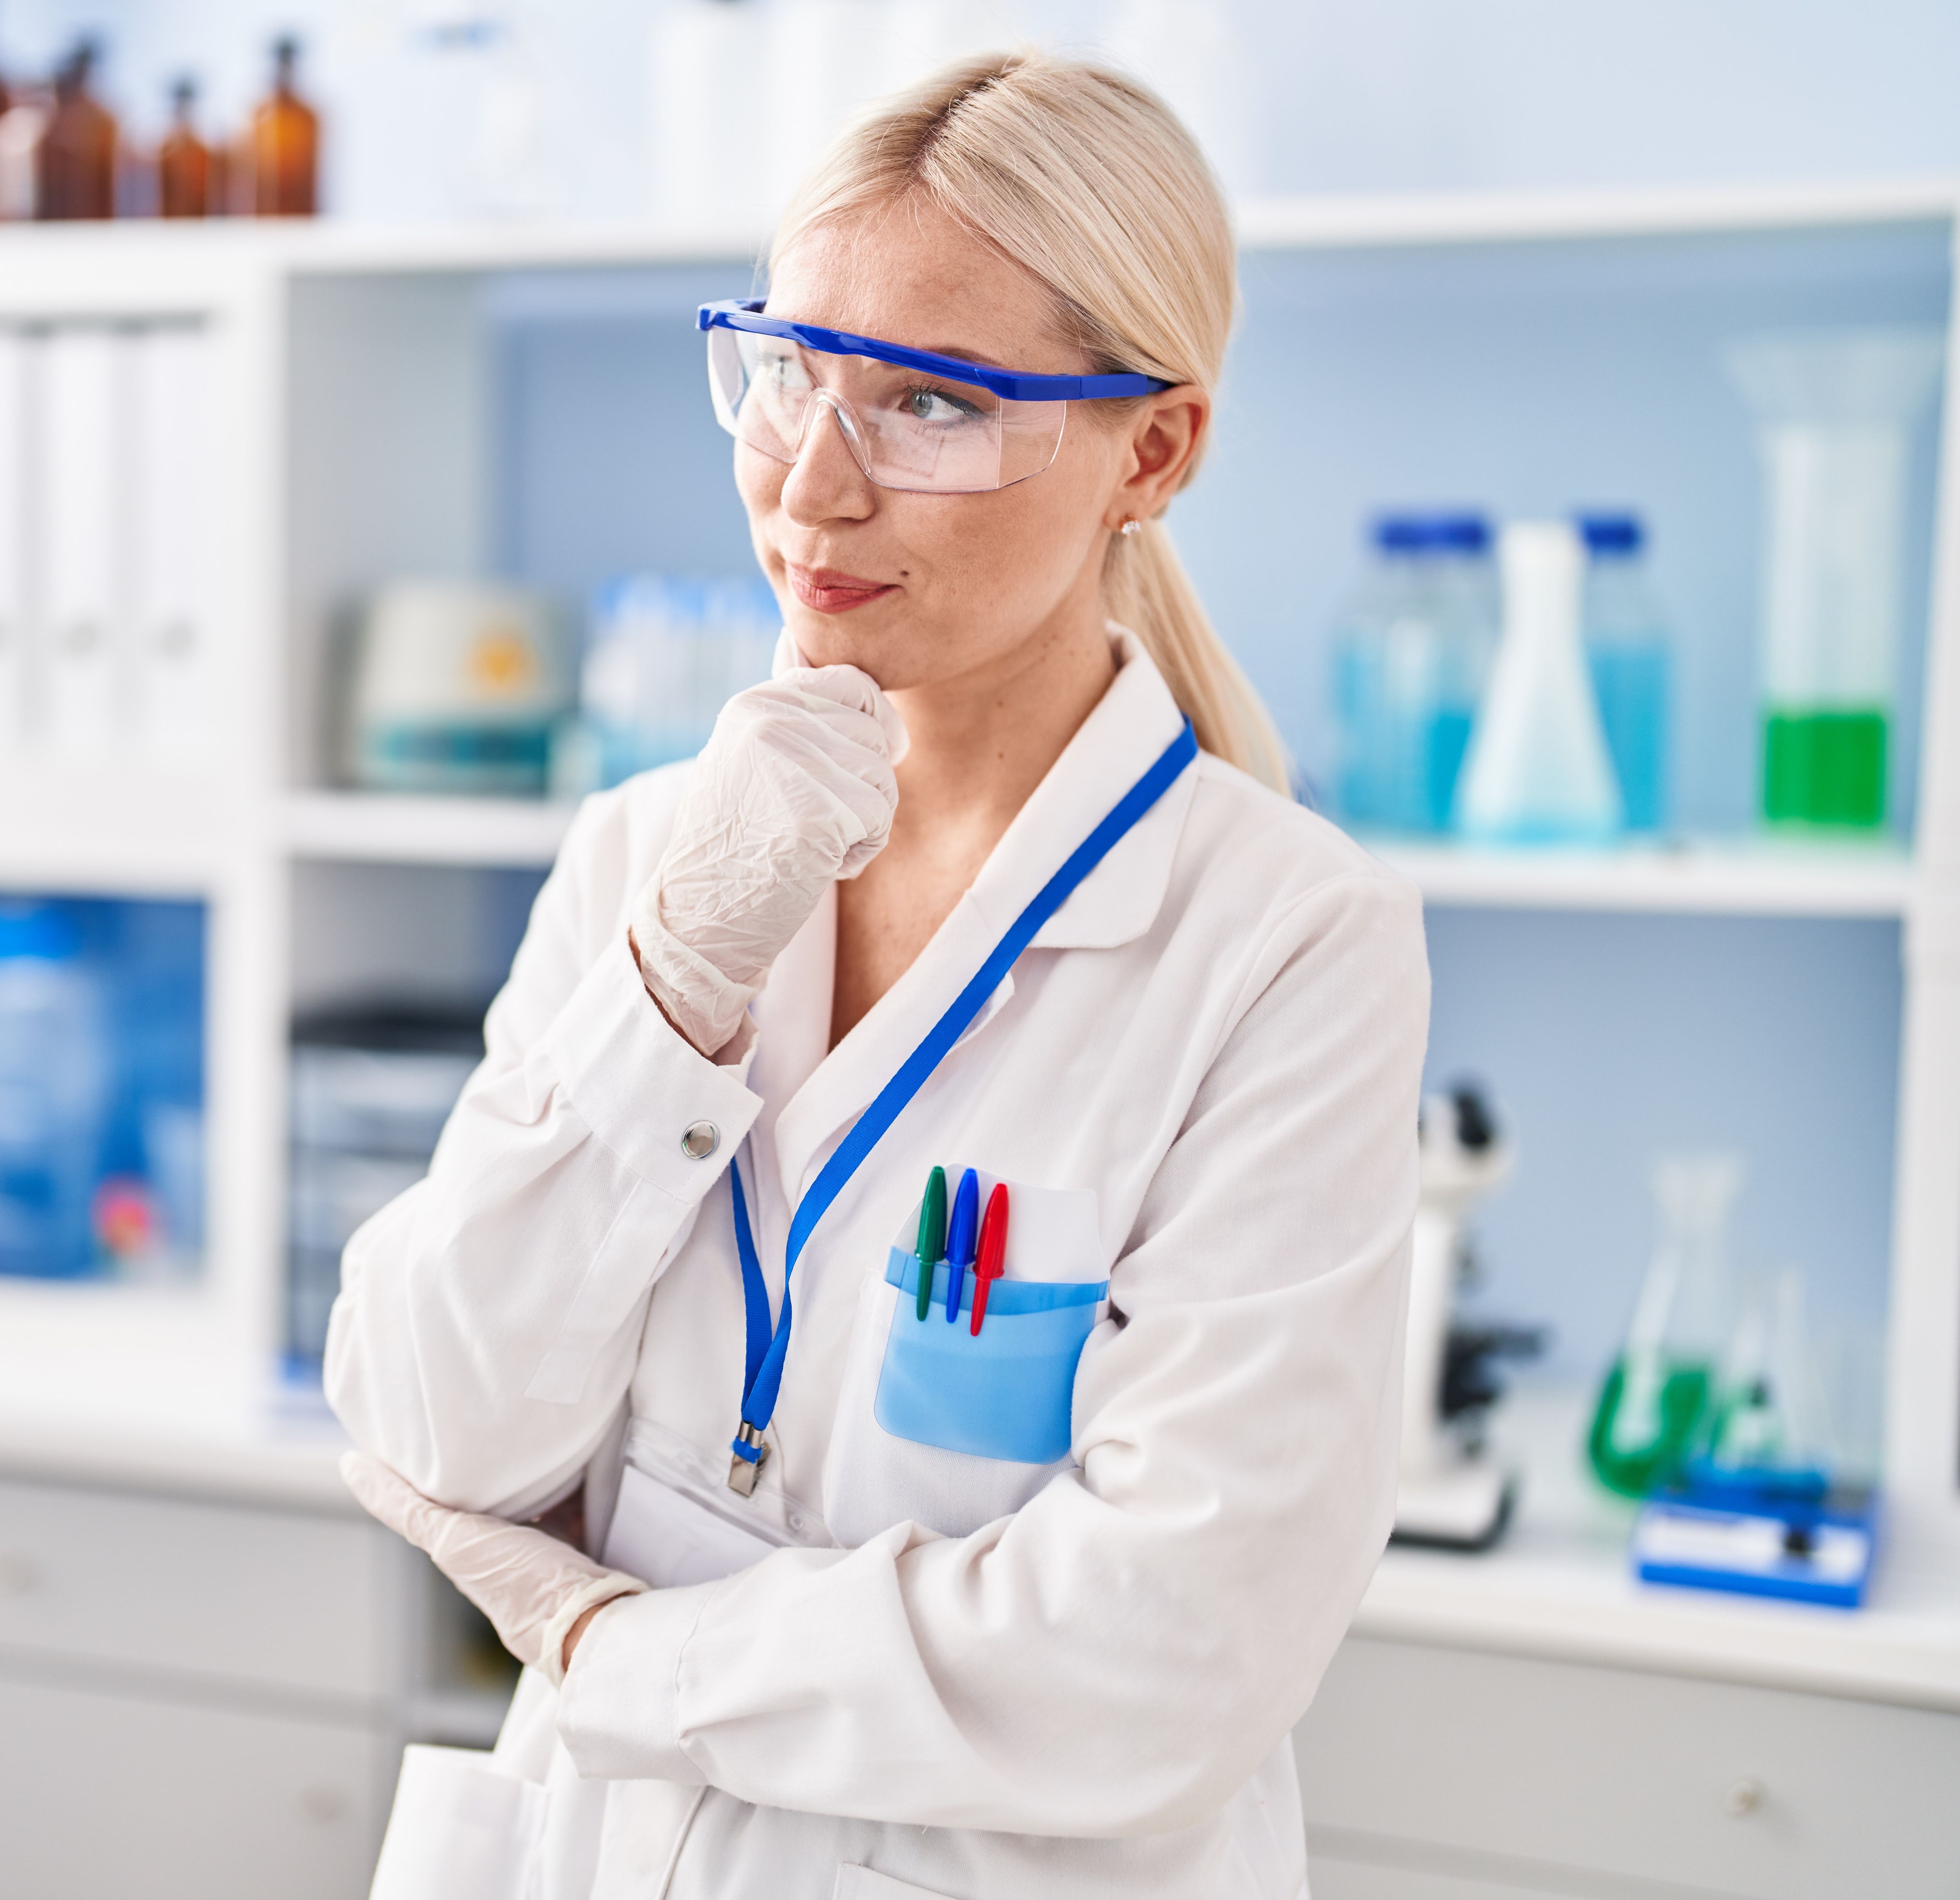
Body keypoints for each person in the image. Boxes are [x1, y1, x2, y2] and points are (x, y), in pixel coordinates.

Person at [325, 49, 1427, 1900]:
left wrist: (618, 1649)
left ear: (1149, 450)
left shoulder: (1286, 945)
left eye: (928, 399)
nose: (812, 487)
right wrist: (672, 985)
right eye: (786, 374)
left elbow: (1159, 1660)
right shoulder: (642, 858)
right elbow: (434, 1416)